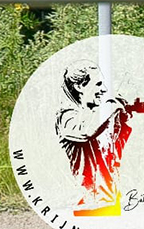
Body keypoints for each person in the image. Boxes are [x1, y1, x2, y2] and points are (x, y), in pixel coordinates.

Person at [55, 62, 131, 216]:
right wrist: (110, 107)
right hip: (86, 202)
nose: (103, 89)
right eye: (98, 84)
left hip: (102, 200)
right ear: (80, 86)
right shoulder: (67, 116)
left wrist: (121, 122)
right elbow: (85, 131)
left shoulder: (92, 113)